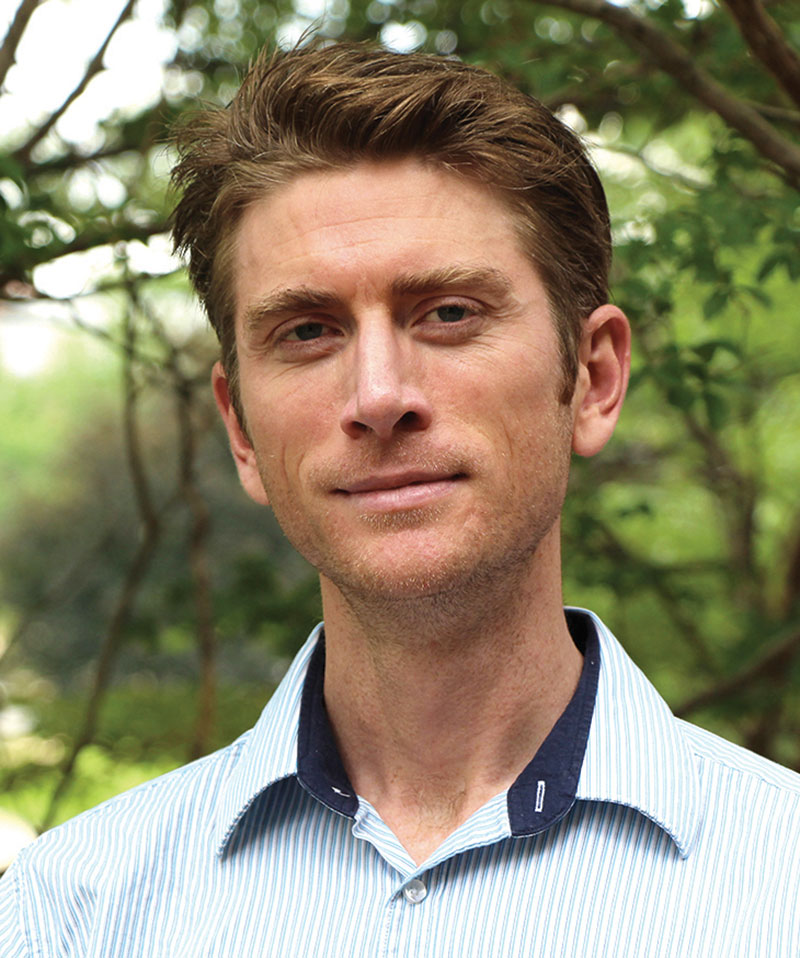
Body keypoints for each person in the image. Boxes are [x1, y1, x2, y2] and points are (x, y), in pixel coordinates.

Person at [1, 42, 798, 957]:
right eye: (307, 330)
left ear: (594, 378)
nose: (379, 395)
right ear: (242, 431)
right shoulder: (71, 914)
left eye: (449, 312)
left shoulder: (782, 885)